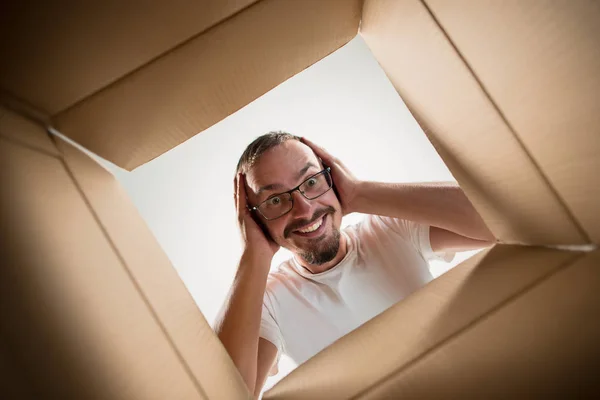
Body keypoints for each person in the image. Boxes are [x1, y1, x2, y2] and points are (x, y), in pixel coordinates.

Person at [214, 132, 495, 397]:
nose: (305, 209)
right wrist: (254, 256)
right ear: (255, 220)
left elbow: (502, 219)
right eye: (275, 200)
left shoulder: (391, 229)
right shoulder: (268, 302)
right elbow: (223, 393)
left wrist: (360, 194)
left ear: (333, 179)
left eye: (311, 182)